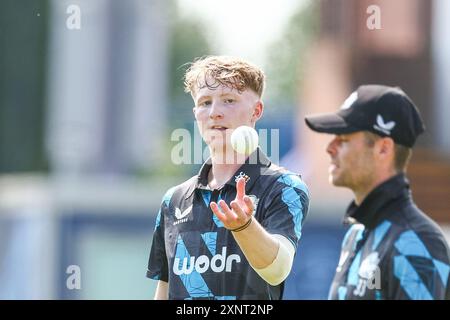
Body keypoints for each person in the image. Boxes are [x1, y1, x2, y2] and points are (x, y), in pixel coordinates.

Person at [146, 56, 310, 300]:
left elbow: (278, 270)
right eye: (205, 103)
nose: (214, 113)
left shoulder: (283, 186)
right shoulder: (174, 199)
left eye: (229, 101)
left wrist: (244, 227)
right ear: (196, 114)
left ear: (256, 111)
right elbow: (165, 290)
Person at [305, 84, 450, 300]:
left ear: (383, 148)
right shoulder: (356, 234)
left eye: (343, 139)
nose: (330, 147)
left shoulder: (416, 241)